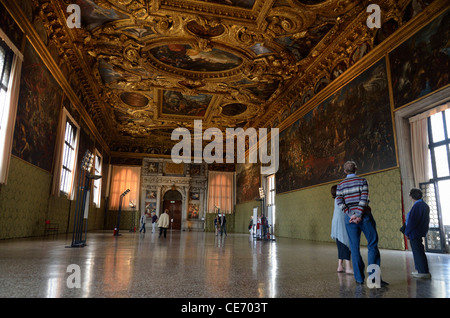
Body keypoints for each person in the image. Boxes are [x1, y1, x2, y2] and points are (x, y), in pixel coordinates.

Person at [336, 161, 386, 286]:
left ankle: (359, 279)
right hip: (365, 217)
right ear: (356, 169)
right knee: (372, 245)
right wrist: (358, 215)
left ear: (344, 171)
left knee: (354, 248)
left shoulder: (340, 185)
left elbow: (340, 202)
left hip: (349, 219)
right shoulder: (362, 181)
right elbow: (364, 199)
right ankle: (374, 279)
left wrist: (350, 214)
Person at [404, 188, 431, 279]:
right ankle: (421, 270)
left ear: (412, 196)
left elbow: (412, 221)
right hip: (420, 231)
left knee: (418, 252)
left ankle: (423, 272)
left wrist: (407, 232)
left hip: (415, 232)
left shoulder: (417, 206)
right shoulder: (424, 205)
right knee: (419, 251)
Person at [330, 185, 353, 274]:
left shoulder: (336, 199)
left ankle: (340, 266)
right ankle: (348, 267)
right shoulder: (341, 199)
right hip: (341, 222)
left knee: (340, 244)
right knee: (346, 243)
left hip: (336, 222)